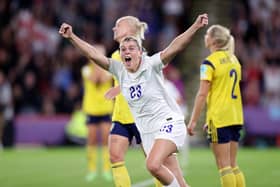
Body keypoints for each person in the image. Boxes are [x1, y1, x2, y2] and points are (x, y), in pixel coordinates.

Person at [59, 13, 208, 187]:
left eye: (131, 49)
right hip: (146, 131)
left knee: (152, 164)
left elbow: (176, 46)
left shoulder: (152, 64)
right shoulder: (119, 69)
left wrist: (196, 26)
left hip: (168, 123)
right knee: (173, 177)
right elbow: (93, 54)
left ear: (140, 53)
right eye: (123, 50)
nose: (126, 52)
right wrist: (72, 37)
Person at [106, 16, 164, 187]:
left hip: (143, 117)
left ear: (130, 31)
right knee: (115, 156)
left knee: (154, 164)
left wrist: (116, 90)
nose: (114, 29)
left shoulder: (140, 56)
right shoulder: (116, 55)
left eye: (118, 26)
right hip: (122, 116)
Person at [187, 25, 246, 187]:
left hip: (220, 118)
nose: (205, 36)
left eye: (207, 34)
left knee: (224, 166)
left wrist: (193, 121)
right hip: (235, 116)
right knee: (233, 165)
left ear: (213, 40)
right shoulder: (235, 60)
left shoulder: (209, 63)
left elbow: (202, 94)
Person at [81, 44, 114, 181]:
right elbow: (95, 80)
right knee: (92, 140)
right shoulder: (85, 70)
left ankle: (106, 170)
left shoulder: (110, 70)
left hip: (105, 108)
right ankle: (92, 169)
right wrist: (97, 62)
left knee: (107, 139)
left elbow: (102, 79)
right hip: (91, 108)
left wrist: (99, 62)